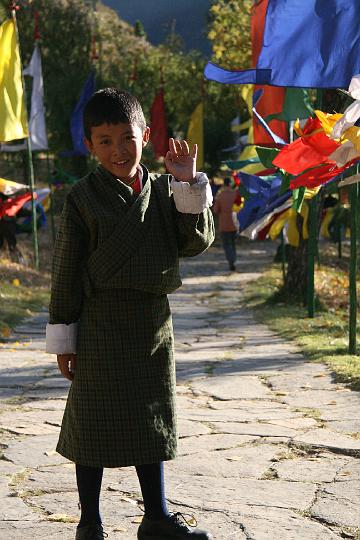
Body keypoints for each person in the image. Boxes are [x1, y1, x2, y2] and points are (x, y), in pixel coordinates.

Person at [45, 88, 215, 540]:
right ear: (90, 146)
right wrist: (65, 335)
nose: (118, 150)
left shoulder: (164, 189)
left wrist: (185, 183)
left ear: (145, 135)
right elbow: (65, 271)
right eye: (105, 141)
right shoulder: (82, 198)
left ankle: (156, 518)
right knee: (93, 423)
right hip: (99, 324)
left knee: (150, 419)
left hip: (151, 325)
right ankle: (89, 523)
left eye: (126, 137)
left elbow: (194, 242)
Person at [213, 177, 241, 271]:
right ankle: (233, 259)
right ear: (230, 184)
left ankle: (231, 261)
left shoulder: (220, 195)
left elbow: (216, 210)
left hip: (224, 223)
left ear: (224, 184)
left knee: (227, 244)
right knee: (233, 243)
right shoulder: (236, 194)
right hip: (234, 222)